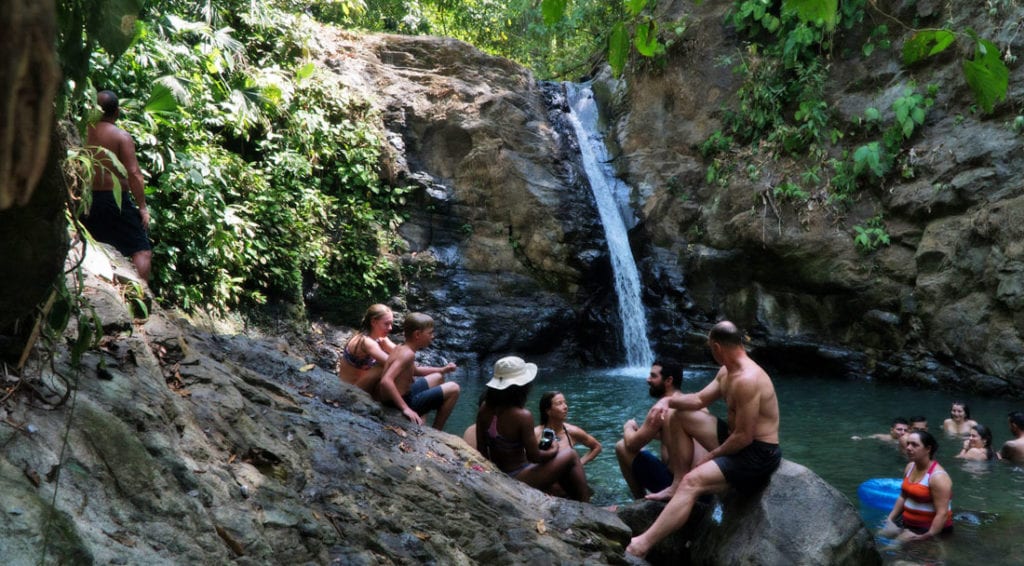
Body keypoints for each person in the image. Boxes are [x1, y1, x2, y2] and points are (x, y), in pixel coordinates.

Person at [627, 321, 781, 558]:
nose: (711, 352)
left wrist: (712, 456)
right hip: (735, 439)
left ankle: (641, 545)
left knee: (693, 481)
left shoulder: (747, 379)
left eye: (710, 348)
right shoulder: (726, 371)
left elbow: (745, 436)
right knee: (677, 414)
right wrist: (667, 401)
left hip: (757, 452)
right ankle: (674, 484)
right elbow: (698, 400)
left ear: (717, 347)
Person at [474, 356, 589, 502]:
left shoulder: (485, 408)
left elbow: (481, 448)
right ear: (521, 387)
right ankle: (587, 507)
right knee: (571, 455)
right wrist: (554, 449)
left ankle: (576, 502)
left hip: (499, 473)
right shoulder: (523, 415)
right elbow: (534, 457)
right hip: (517, 477)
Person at [82, 90, 152, 281]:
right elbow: (134, 173)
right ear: (117, 112)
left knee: (91, 243)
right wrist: (143, 207)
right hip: (115, 200)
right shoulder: (121, 137)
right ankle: (139, 293)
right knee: (141, 250)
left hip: (86, 200)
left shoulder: (82, 132)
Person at [615, 360, 710, 499]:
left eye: (653, 376)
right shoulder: (698, 405)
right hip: (707, 487)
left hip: (682, 488)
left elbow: (631, 444)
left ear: (669, 380)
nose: (648, 379)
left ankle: (640, 501)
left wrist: (628, 427)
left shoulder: (661, 409)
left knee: (621, 446)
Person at [377, 313, 459, 429]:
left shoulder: (400, 347)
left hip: (400, 397)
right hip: (398, 403)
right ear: (417, 334)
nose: (432, 336)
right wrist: (405, 408)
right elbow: (386, 381)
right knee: (454, 388)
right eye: (430, 333)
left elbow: (414, 370)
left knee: (438, 377)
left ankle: (424, 418)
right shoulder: (408, 354)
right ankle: (436, 431)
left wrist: (443, 369)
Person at [880, 430, 953, 542]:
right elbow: (903, 497)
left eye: (914, 445)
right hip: (907, 524)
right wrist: (890, 519)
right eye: (908, 443)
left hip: (927, 530)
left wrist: (924, 537)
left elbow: (942, 513)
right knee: (879, 535)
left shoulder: (938, 477)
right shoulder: (910, 467)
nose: (908, 448)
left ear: (928, 449)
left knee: (892, 548)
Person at [337, 304, 398, 393]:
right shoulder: (367, 342)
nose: (390, 328)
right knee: (383, 367)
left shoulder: (379, 337)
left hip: (362, 384)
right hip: (350, 389)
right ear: (373, 322)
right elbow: (391, 363)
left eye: (391, 323)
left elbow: (400, 352)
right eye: (386, 324)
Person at [535, 391, 602, 466]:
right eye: (559, 403)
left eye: (565, 402)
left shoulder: (572, 431)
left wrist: (578, 465)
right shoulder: (536, 433)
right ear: (548, 411)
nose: (565, 407)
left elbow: (597, 447)